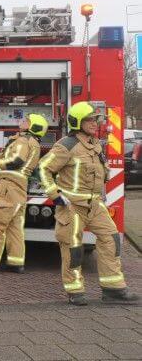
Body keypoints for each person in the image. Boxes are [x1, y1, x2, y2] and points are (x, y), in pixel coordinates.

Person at [39, 101, 139, 305]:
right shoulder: (66, 145)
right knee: (73, 248)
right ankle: (75, 290)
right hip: (72, 206)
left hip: (95, 204)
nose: (95, 123)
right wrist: (55, 194)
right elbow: (44, 168)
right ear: (77, 122)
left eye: (95, 119)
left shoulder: (95, 143)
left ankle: (113, 289)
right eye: (89, 120)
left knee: (111, 239)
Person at [0, 113, 48, 274]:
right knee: (15, 227)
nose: (22, 121)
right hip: (19, 187)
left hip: (9, 185)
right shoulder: (33, 143)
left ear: (33, 127)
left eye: (27, 120)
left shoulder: (23, 140)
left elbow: (16, 160)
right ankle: (15, 262)